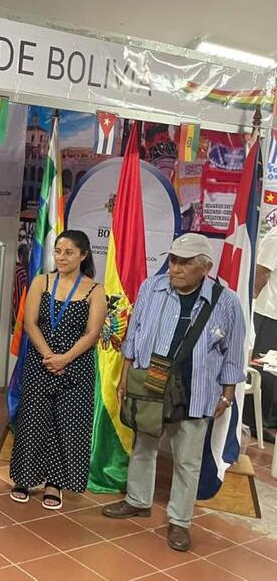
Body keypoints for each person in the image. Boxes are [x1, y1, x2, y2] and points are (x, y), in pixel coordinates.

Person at [102, 233, 245, 552]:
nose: (176, 268)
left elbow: (233, 353)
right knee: (144, 444)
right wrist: (125, 377)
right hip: (151, 382)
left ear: (205, 267)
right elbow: (134, 335)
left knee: (187, 459)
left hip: (197, 388)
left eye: (185, 263)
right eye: (173, 260)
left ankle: (180, 520)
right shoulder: (151, 288)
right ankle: (138, 500)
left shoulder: (226, 301)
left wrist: (227, 394)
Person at [8, 230, 105, 509]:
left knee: (68, 426)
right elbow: (30, 323)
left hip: (76, 367)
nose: (62, 257)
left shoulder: (94, 289)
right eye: (58, 251)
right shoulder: (41, 281)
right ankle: (24, 478)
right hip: (41, 362)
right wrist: (50, 356)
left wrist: (65, 359)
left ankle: (55, 483)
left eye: (69, 252)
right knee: (32, 422)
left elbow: (92, 333)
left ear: (83, 255)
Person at [249, 225, 277, 442]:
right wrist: (254, 300)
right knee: (265, 366)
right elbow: (261, 271)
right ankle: (255, 421)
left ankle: (271, 417)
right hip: (269, 311)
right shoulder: (275, 234)